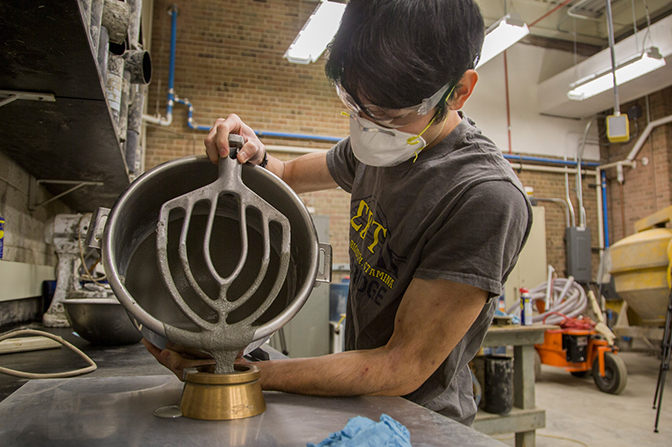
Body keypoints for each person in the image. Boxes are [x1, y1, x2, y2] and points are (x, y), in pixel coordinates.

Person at [144, 0, 532, 425]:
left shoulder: (483, 196)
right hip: (360, 401)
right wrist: (251, 153)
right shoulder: (383, 143)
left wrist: (247, 372)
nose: (366, 126)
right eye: (353, 103)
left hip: (420, 423)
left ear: (458, 91)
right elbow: (287, 173)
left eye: (385, 114)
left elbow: (401, 364)